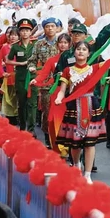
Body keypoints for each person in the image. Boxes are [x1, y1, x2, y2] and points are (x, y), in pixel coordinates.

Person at [54, 41, 110, 183]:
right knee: (75, 142)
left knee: (90, 143)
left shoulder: (94, 68)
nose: (81, 52)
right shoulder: (67, 71)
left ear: (89, 53)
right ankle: (76, 165)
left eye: (84, 49)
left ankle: (87, 174)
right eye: (78, 49)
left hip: (91, 106)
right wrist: (59, 98)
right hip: (73, 107)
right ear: (74, 52)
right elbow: (62, 90)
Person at [29, 32, 72, 152]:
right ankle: (56, 144)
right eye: (61, 42)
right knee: (53, 118)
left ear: (69, 44)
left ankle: (70, 146)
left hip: (71, 92)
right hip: (56, 92)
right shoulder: (52, 60)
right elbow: (44, 73)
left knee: (69, 118)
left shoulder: (73, 58)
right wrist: (36, 80)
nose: (63, 45)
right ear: (57, 45)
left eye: (65, 42)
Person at [28, 17, 60, 146]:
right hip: (46, 84)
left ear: (57, 27)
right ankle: (48, 137)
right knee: (47, 112)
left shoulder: (63, 42)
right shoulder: (39, 44)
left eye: (53, 26)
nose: (50, 28)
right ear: (44, 29)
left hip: (62, 83)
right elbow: (32, 59)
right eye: (47, 26)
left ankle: (61, 138)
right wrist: (32, 67)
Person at [6, 18, 38, 132]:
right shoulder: (15, 46)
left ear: (31, 32)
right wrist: (20, 63)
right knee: (22, 103)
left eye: (27, 30)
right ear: (20, 32)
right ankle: (23, 127)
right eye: (23, 30)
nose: (25, 32)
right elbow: (8, 60)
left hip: (33, 76)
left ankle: (31, 129)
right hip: (20, 77)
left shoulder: (35, 43)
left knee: (32, 104)